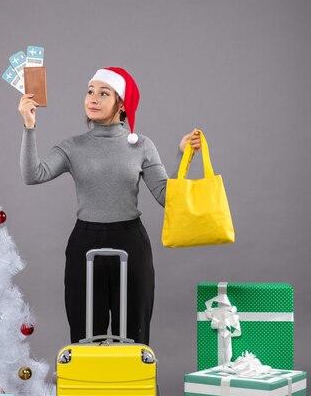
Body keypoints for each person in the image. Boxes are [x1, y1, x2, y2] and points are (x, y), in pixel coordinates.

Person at [19, 66, 200, 345]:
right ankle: (90, 388)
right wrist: (29, 126)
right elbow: (33, 174)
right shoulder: (73, 146)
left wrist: (182, 155)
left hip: (130, 241)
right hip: (85, 242)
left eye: (104, 93)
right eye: (90, 91)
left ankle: (130, 387)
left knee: (134, 334)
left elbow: (168, 197)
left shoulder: (141, 145)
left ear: (122, 103)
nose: (93, 98)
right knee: (85, 335)